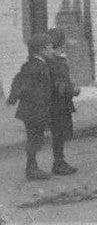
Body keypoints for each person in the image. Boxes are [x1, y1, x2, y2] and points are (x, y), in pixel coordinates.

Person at [7, 33, 55, 180]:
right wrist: (15, 96)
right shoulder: (36, 66)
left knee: (35, 138)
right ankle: (32, 169)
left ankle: (32, 167)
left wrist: (14, 97)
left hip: (33, 110)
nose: (52, 51)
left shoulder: (34, 64)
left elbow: (18, 79)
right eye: (50, 48)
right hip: (34, 111)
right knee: (34, 139)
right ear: (41, 50)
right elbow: (24, 83)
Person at [46, 28, 81, 175]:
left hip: (51, 104)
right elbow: (61, 86)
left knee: (58, 134)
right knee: (60, 134)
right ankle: (59, 163)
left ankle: (59, 162)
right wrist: (74, 90)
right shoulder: (58, 63)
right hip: (59, 105)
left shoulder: (47, 61)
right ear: (60, 44)